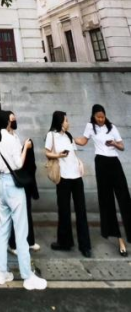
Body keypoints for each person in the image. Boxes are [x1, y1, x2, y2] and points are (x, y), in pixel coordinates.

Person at [0, 110, 47, 290]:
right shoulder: (11, 139)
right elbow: (19, 164)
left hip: (1, 184)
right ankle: (27, 276)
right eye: (11, 119)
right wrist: (26, 148)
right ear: (6, 121)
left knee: (3, 229)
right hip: (14, 185)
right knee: (21, 232)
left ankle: (2, 273)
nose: (14, 121)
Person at [75, 104, 131, 257]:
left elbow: (122, 146)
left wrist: (114, 143)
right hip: (101, 163)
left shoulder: (112, 127)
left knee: (125, 198)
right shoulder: (90, 127)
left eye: (103, 117)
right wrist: (69, 138)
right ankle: (120, 240)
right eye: (98, 117)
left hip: (114, 163)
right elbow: (83, 141)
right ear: (93, 116)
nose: (101, 119)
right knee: (107, 201)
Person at [45, 110, 91, 257]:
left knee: (81, 210)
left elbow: (74, 153)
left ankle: (85, 246)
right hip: (63, 177)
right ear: (59, 122)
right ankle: (64, 242)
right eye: (66, 120)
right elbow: (47, 153)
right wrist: (58, 155)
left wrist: (80, 162)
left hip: (76, 177)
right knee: (64, 211)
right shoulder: (51, 135)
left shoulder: (69, 136)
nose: (68, 122)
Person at [8, 139, 40, 255]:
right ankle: (13, 244)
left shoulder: (17, 140)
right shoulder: (14, 144)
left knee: (26, 213)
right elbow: (19, 164)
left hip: (25, 183)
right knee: (18, 215)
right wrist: (25, 147)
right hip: (18, 182)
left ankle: (29, 241)